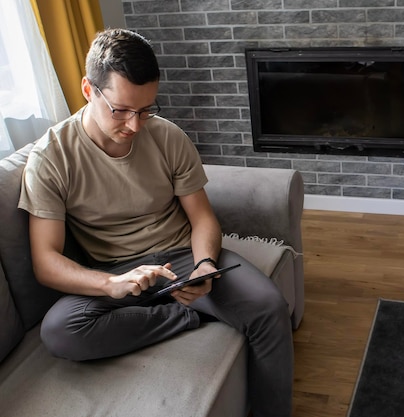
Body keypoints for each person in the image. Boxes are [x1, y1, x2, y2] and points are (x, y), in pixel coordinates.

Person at [18, 28, 293, 417]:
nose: (135, 125)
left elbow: (202, 218)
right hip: (114, 271)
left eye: (146, 109)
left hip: (182, 256)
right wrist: (110, 284)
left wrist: (205, 266)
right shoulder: (51, 158)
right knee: (61, 331)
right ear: (87, 90)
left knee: (268, 308)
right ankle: (186, 314)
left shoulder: (168, 138)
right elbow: (45, 262)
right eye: (122, 110)